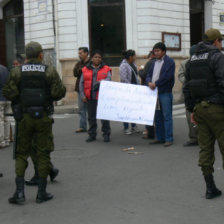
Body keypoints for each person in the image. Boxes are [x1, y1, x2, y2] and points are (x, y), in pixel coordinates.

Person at [3, 41, 66, 204]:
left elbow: (9, 92)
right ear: (40, 55)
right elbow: (58, 93)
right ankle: (41, 193)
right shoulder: (49, 71)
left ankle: (19, 193)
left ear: (26, 56)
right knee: (44, 152)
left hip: (24, 117)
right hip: (43, 117)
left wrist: (21, 100)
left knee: (21, 153)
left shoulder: (17, 71)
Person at [183, 28, 224, 199]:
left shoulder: (192, 60)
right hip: (217, 108)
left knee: (205, 149)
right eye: (220, 41)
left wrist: (192, 109)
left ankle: (210, 188)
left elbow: (187, 88)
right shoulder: (217, 57)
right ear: (215, 41)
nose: (221, 44)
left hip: (200, 109)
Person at [146, 42, 175, 147]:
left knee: (167, 116)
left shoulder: (170, 62)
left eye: (158, 50)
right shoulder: (153, 62)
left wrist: (156, 83)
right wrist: (149, 82)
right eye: (155, 51)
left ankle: (169, 138)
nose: (156, 53)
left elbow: (167, 77)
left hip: (165, 92)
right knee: (157, 116)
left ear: (163, 51)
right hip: (154, 93)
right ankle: (160, 137)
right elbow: (148, 74)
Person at [79, 49, 111, 143]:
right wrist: (82, 95)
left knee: (104, 117)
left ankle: (106, 134)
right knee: (91, 117)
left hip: (102, 97)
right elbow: (81, 83)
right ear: (91, 58)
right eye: (95, 57)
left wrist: (102, 82)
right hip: (90, 97)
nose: (97, 59)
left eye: (99, 57)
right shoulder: (85, 69)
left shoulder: (106, 69)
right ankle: (92, 135)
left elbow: (109, 79)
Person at [178, 45, 198, 147]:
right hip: (188, 93)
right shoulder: (184, 63)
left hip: (200, 93)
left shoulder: (201, 62)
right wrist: (188, 82)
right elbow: (180, 75)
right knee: (189, 117)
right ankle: (193, 137)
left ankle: (203, 137)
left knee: (201, 117)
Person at [119, 49, 140, 135]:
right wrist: (131, 87)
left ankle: (133, 126)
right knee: (126, 109)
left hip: (134, 89)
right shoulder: (123, 65)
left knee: (133, 109)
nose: (135, 57)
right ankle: (126, 127)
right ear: (130, 57)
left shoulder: (133, 64)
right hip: (127, 90)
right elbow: (124, 78)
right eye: (134, 56)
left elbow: (135, 75)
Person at [139, 50, 156, 139]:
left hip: (149, 89)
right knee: (156, 112)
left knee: (148, 112)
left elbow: (144, 76)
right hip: (156, 89)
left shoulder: (150, 63)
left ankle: (150, 132)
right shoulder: (158, 62)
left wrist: (140, 70)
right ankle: (157, 131)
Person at [73, 47, 90, 133]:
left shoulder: (91, 63)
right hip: (80, 87)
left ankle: (92, 126)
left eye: (81, 53)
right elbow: (75, 73)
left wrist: (82, 70)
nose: (79, 55)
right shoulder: (79, 63)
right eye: (79, 53)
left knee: (90, 109)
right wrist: (82, 70)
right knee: (81, 109)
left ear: (86, 53)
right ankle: (82, 126)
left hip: (89, 88)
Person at [0, 64, 10, 148]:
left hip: (0, 98)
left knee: (0, 120)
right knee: (6, 119)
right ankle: (7, 140)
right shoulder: (5, 69)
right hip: (7, 97)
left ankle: (1, 141)